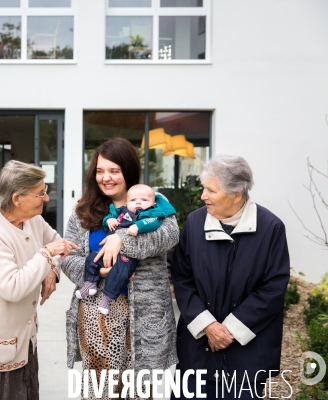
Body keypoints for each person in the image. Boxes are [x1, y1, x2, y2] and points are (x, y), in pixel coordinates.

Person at [61, 138, 179, 400]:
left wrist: (121, 239)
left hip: (143, 316)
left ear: (128, 170)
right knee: (99, 391)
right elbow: (68, 258)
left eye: (114, 171)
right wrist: (97, 272)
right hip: (97, 318)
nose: (106, 178)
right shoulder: (83, 210)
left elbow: (169, 236)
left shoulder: (152, 201)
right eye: (100, 171)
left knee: (138, 392)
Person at [0, 160, 79, 399]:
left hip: (23, 335)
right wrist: (47, 255)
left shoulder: (31, 218)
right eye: (40, 194)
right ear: (17, 198)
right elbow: (12, 287)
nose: (46, 198)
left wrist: (51, 269)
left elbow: (57, 243)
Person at [171, 155, 290, 399]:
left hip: (247, 355)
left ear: (237, 193)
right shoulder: (194, 223)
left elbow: (273, 288)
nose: (203, 196)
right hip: (197, 349)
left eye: (211, 190)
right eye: (204, 188)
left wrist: (229, 330)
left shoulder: (271, 228)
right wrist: (208, 326)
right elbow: (182, 278)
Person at [76, 184, 176, 315]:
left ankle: (107, 299)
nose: (138, 202)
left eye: (144, 200)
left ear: (153, 203)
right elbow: (110, 216)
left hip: (126, 257)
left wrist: (138, 227)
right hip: (105, 252)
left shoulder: (150, 214)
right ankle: (90, 283)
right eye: (133, 200)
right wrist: (109, 220)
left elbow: (154, 223)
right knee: (91, 259)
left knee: (120, 274)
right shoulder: (123, 211)